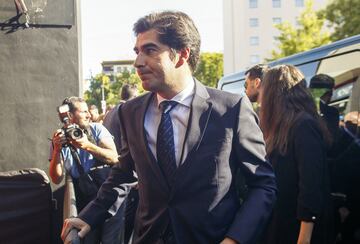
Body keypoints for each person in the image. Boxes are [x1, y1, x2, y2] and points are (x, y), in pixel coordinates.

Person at [61, 11, 276, 244]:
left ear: (182, 55)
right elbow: (124, 173)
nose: (138, 62)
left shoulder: (231, 109)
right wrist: (90, 216)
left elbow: (263, 184)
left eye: (150, 50)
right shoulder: (129, 113)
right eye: (137, 51)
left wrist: (235, 239)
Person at [259, 65, 334, 244]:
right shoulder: (282, 127)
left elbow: (311, 185)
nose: (260, 98)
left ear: (274, 94)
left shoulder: (303, 125)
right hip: (283, 223)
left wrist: (304, 238)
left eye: (264, 89)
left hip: (299, 231)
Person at [49, 96, 123, 244]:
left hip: (111, 201)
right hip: (87, 204)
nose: (89, 115)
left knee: (111, 240)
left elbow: (114, 158)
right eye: (83, 112)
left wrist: (86, 145)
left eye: (88, 111)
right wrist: (57, 150)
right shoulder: (60, 138)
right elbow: (56, 178)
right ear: (70, 116)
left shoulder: (97, 129)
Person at [102, 83, 139, 244]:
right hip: (126, 175)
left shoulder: (110, 113)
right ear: (135, 95)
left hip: (114, 173)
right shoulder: (130, 111)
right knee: (122, 227)